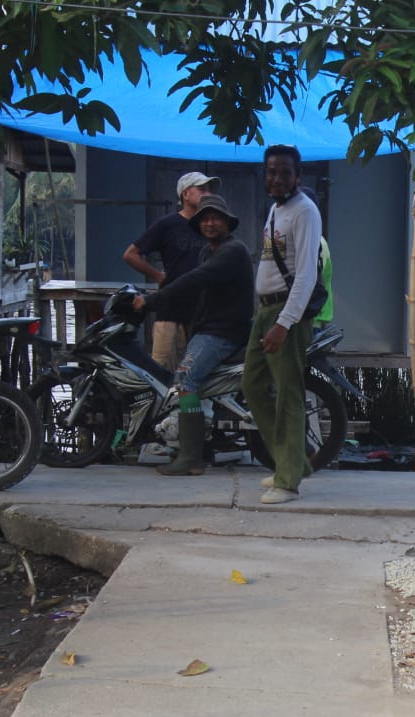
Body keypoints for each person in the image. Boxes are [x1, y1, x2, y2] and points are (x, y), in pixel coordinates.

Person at [131, 194, 254, 476]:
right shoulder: (209, 251)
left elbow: (194, 280)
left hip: (221, 332)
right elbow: (195, 287)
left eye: (216, 218)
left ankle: (191, 458)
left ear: (227, 223)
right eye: (205, 219)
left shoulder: (231, 251)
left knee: (185, 381)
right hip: (210, 327)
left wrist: (152, 301)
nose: (210, 223)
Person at [243, 144, 323, 504]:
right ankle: (290, 462)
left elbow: (305, 274)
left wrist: (284, 323)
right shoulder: (277, 210)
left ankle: (288, 480)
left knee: (288, 394)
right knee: (253, 385)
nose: (276, 178)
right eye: (271, 172)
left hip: (284, 314)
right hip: (265, 311)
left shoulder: (305, 211)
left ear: (298, 176)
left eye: (284, 172)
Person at [123, 171, 221, 370]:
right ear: (185, 194)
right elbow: (130, 254)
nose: (207, 193)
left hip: (202, 313)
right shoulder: (167, 225)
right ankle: (165, 403)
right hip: (170, 310)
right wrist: (158, 275)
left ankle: (190, 404)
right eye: (202, 189)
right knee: (163, 371)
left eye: (209, 190)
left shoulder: (210, 227)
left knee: (192, 375)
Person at [297, 186, 335, 331]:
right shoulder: (316, 240)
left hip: (311, 317)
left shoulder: (315, 242)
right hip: (313, 315)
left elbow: (308, 280)